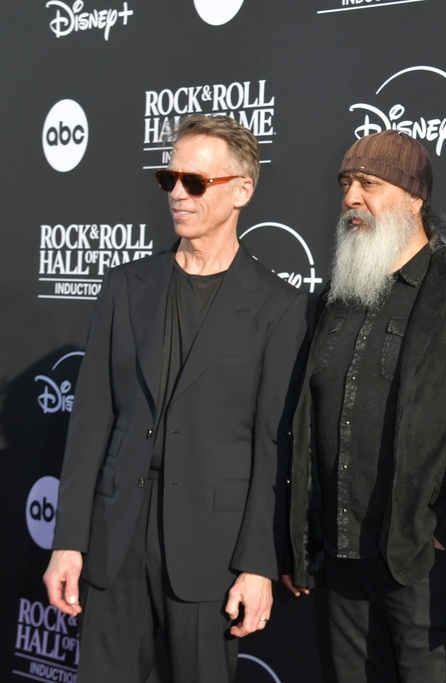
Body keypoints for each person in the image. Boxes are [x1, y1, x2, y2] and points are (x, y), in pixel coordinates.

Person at [42, 115, 308, 683]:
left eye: (195, 182)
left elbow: (273, 449)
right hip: (115, 539)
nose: (178, 194)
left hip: (210, 551)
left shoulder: (278, 306)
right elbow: (90, 425)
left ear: (242, 190)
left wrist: (257, 565)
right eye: (170, 179)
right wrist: (68, 542)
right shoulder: (125, 287)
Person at [284, 130, 446, 683]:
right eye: (346, 184)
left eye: (369, 184)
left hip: (422, 559)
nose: (351, 198)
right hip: (342, 558)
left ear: (415, 198)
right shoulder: (334, 299)